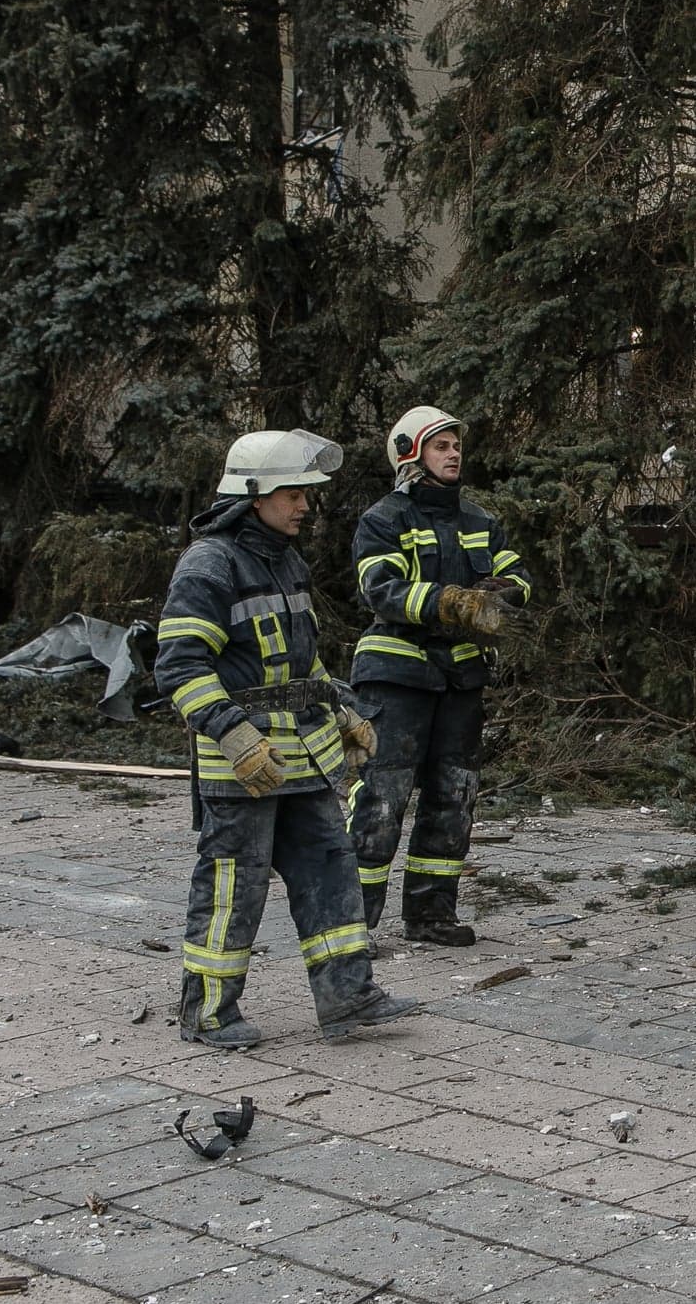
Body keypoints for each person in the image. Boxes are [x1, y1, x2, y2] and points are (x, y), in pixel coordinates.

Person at [156, 429, 421, 1048]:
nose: (305, 504)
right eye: (293, 493)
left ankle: (349, 998)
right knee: (233, 886)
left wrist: (345, 707)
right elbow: (179, 666)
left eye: (306, 493)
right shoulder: (210, 564)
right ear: (253, 496)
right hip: (241, 764)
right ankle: (209, 1012)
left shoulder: (285, 559)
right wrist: (234, 736)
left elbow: (304, 662)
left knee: (331, 871)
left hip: (303, 756)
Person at [346, 406, 533, 947]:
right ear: (411, 455)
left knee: (454, 797)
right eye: (441, 446)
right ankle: (353, 924)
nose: (454, 454)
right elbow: (380, 590)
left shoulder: (480, 521)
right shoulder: (383, 519)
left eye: (456, 445)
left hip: (461, 679)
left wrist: (502, 595)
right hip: (396, 675)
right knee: (382, 797)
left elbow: (518, 577)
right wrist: (453, 602)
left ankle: (431, 915)